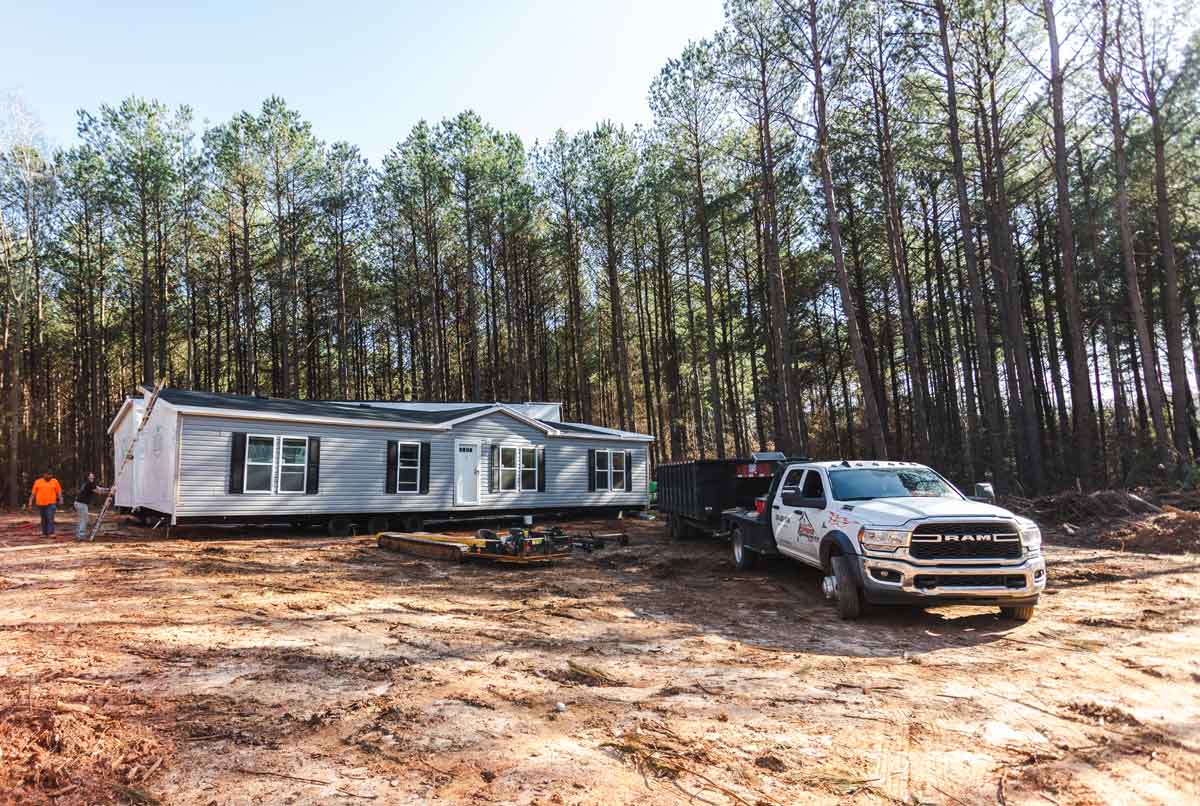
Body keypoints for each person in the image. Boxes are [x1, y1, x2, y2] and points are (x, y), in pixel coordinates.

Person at [74, 472, 109, 542]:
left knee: (81, 519)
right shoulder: (89, 484)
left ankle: (78, 535)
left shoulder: (88, 483)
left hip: (78, 503)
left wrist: (107, 489)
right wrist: (109, 492)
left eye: (93, 475)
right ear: (88, 477)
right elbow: (98, 491)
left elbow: (98, 488)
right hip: (81, 504)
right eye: (91, 475)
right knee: (84, 520)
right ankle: (81, 536)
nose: (93, 476)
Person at [29, 470, 63, 538]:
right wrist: (30, 502)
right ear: (44, 475)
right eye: (48, 475)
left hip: (51, 503)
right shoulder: (38, 481)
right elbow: (33, 493)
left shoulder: (55, 481)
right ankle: (44, 533)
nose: (49, 476)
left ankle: (51, 533)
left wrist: (61, 499)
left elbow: (59, 491)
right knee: (44, 518)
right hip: (40, 503)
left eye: (51, 475)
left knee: (50, 517)